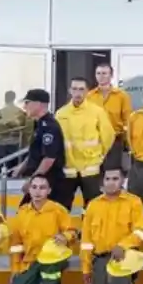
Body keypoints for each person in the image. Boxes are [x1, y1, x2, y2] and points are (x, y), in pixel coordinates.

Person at [4, 174, 75, 284]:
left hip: (54, 259)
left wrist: (65, 237)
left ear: (49, 191)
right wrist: (16, 269)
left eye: (42, 188)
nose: (37, 191)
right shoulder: (22, 213)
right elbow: (16, 244)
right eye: (34, 187)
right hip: (31, 261)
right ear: (29, 190)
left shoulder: (58, 210)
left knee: (50, 260)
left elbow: (72, 231)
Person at [80, 169, 143, 284]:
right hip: (102, 257)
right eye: (107, 179)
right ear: (103, 182)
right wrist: (86, 268)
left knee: (117, 279)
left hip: (125, 254)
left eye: (115, 179)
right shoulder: (93, 205)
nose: (111, 183)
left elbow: (140, 232)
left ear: (123, 181)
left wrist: (122, 246)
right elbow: (86, 240)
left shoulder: (133, 202)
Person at [56, 76, 115, 209]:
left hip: (90, 168)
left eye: (81, 89)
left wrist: (100, 156)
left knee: (92, 207)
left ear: (87, 91)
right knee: (62, 207)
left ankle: (90, 230)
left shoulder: (97, 112)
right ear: (70, 91)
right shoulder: (61, 113)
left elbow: (108, 135)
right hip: (68, 168)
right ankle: (66, 230)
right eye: (75, 89)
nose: (78, 93)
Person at [13, 89, 69, 209]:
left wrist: (33, 182)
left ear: (39, 104)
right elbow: (36, 152)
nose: (24, 106)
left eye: (27, 103)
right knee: (25, 213)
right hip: (42, 180)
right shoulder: (39, 124)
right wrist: (22, 166)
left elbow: (49, 158)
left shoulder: (49, 127)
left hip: (50, 182)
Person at [85, 62, 133, 174]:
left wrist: (128, 142)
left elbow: (128, 119)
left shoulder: (122, 96)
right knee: (94, 173)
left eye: (104, 73)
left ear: (111, 75)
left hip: (114, 141)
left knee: (112, 173)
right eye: (98, 73)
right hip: (94, 141)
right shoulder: (89, 96)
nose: (101, 76)